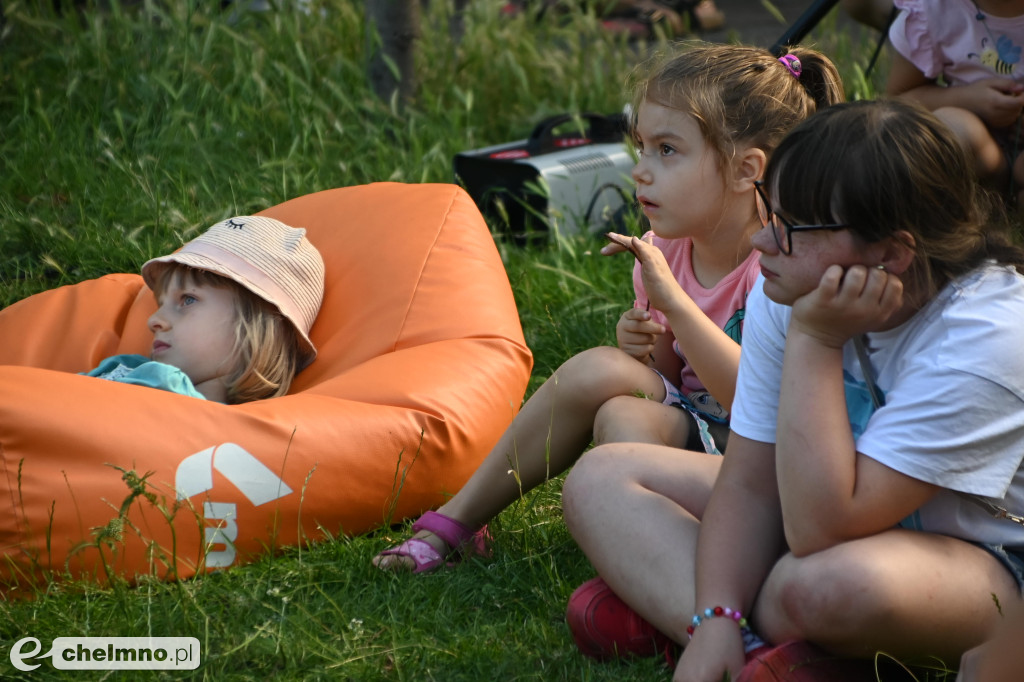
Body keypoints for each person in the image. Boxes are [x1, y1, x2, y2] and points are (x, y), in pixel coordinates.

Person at [563, 99, 1024, 681]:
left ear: (891, 254)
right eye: (769, 215)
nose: (762, 244)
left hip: (991, 560)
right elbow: (752, 481)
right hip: (832, 510)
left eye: (791, 228)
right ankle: (759, 652)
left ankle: (674, 606)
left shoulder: (985, 340)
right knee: (599, 478)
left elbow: (820, 530)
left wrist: (816, 339)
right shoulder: (790, 287)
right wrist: (714, 619)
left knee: (817, 584)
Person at [372, 42, 844, 575]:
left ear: (745, 170)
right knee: (610, 388)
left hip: (761, 465)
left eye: (667, 150)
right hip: (700, 440)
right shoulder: (663, 254)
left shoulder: (780, 266)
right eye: (641, 145)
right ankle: (461, 521)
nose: (640, 170)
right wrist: (644, 346)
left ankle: (668, 563)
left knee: (621, 401)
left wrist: (677, 307)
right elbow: (673, 383)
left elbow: (758, 405)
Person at [84, 215, 325, 404]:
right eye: (161, 304)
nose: (154, 320)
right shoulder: (130, 368)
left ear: (257, 325)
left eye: (187, 300)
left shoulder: (158, 385)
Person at [886, 0, 1024, 204]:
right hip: (979, 154)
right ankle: (982, 201)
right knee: (954, 127)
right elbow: (896, 100)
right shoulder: (934, 10)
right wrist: (968, 99)